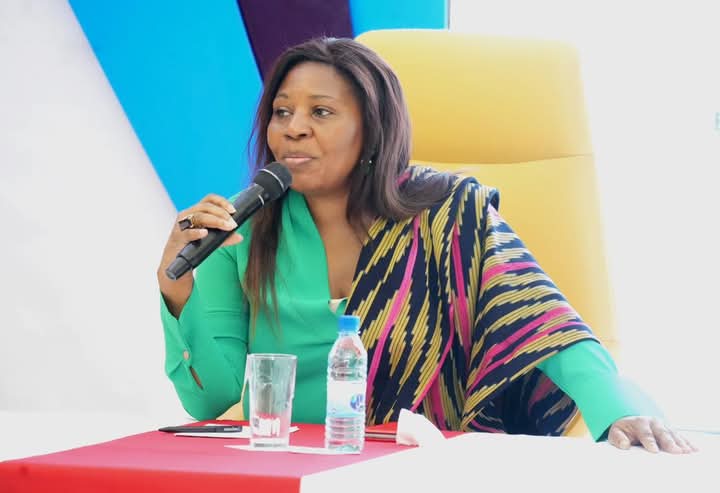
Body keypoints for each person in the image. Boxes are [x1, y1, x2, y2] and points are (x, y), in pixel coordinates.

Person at [157, 37, 695, 454]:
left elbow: (541, 325)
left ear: (372, 129)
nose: (293, 129)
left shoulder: (446, 211)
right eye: (281, 112)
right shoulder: (244, 229)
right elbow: (212, 398)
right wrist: (177, 289)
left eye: (320, 112)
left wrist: (620, 410)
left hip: (416, 467)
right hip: (285, 466)